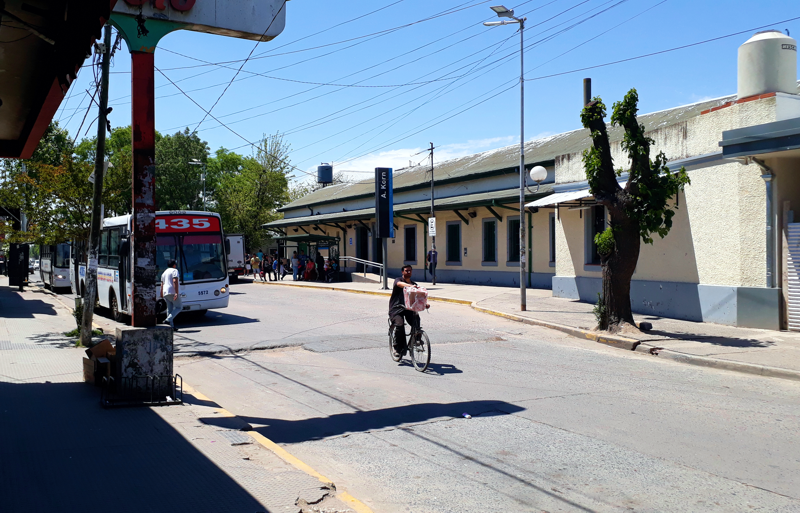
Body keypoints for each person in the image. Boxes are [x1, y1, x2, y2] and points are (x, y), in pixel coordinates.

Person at [389, 265, 429, 359]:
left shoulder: (414, 284)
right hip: (396, 309)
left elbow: (419, 297)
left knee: (416, 320)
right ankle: (397, 348)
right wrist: (410, 286)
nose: (408, 272)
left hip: (408, 309)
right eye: (406, 271)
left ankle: (416, 339)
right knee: (399, 324)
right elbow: (399, 284)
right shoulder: (398, 280)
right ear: (402, 272)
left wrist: (425, 304)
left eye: (410, 271)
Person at [160, 259, 181, 332]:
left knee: (170, 309)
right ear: (174, 265)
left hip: (165, 292)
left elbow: (162, 284)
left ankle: (171, 327)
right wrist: (176, 292)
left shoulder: (164, 272)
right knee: (179, 307)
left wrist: (161, 293)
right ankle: (167, 320)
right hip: (172, 291)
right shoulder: (174, 271)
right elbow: (175, 281)